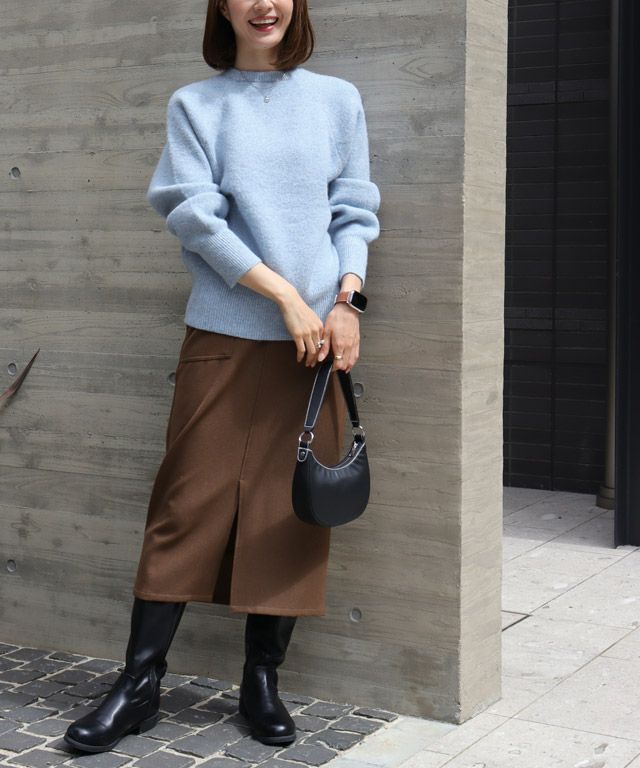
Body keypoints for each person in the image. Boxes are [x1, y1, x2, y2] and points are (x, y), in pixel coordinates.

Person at [63, 0, 380, 754]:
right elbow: (195, 218)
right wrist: (284, 297)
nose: (263, 4)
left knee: (291, 512)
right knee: (186, 504)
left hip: (317, 341)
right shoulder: (196, 106)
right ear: (222, 8)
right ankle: (140, 684)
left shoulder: (336, 100)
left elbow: (353, 210)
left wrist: (346, 302)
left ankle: (260, 681)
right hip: (226, 331)